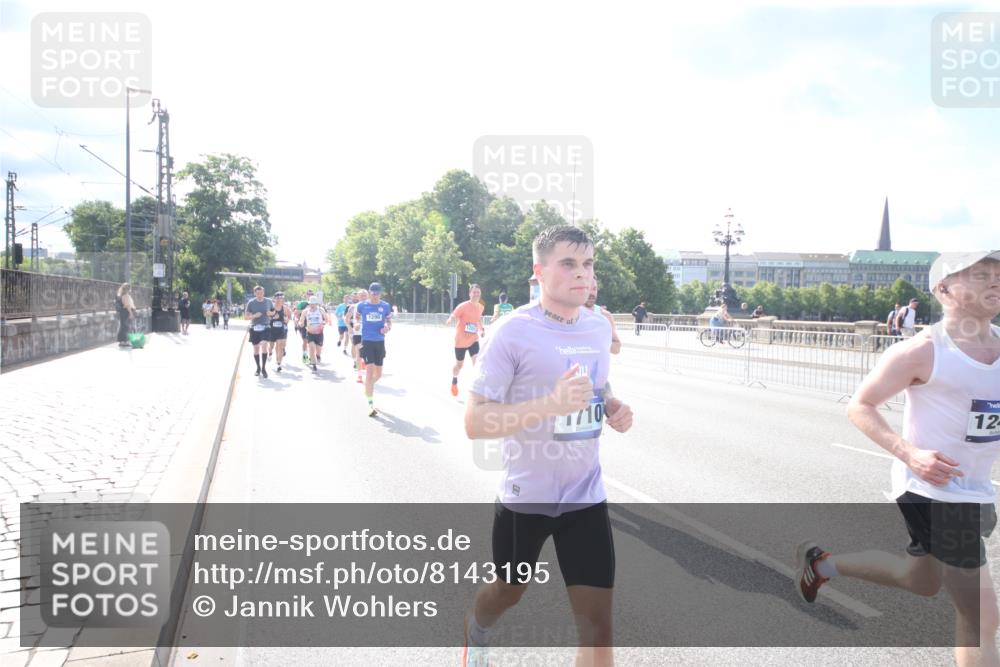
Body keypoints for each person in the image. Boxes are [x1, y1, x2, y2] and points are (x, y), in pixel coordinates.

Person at [797, 251, 1000, 667]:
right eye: (980, 275)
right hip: (933, 491)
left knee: (920, 581)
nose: (994, 281)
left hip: (975, 489)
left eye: (998, 274)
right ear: (943, 289)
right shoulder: (923, 351)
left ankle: (824, 565)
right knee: (981, 616)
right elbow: (861, 406)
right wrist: (911, 453)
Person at [462, 225, 634, 667]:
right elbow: (475, 422)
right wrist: (550, 404)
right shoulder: (511, 331)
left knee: (599, 631)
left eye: (589, 264)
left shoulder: (597, 327)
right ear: (539, 272)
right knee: (508, 593)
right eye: (569, 264)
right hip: (527, 499)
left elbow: (597, 383)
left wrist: (611, 403)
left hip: (585, 497)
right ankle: (477, 631)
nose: (584, 275)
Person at [355, 282, 392, 416]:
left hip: (380, 342)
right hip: (368, 341)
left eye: (377, 293)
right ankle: (371, 405)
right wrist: (358, 324)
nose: (375, 295)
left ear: (380, 293)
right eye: (373, 293)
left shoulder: (385, 306)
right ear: (370, 292)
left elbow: (389, 321)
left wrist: (387, 327)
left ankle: (367, 387)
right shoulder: (362, 305)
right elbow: (357, 318)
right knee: (370, 373)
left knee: (379, 375)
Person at [446, 283, 485, 396]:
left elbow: (477, 320)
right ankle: (454, 380)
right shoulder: (463, 306)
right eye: (474, 292)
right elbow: (454, 315)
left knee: (477, 361)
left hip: (473, 339)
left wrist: (481, 330)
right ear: (470, 294)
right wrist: (450, 320)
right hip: (461, 341)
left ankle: (477, 387)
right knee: (459, 365)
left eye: (478, 292)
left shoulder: (481, 306)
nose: (476, 294)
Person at [244, 285, 274, 378]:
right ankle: (258, 368)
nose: (259, 295)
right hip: (254, 327)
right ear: (255, 293)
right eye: (257, 293)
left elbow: (273, 312)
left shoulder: (268, 301)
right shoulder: (251, 302)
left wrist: (271, 314)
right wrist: (254, 316)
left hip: (266, 327)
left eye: (261, 293)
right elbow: (245, 317)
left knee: (264, 345)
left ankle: (264, 368)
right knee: (256, 348)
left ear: (263, 293)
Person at [585, 279, 621, 354]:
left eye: (594, 289)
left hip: (598, 365)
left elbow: (616, 350)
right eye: (587, 288)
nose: (591, 293)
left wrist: (600, 339)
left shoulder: (605, 315)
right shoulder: (568, 313)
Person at [298, 295, 328, 373]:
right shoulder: (305, 311)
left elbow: (326, 319)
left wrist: (324, 322)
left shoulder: (321, 310)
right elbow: (301, 320)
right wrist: (301, 323)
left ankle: (318, 355)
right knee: (311, 347)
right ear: (309, 304)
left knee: (318, 349)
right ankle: (314, 364)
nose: (312, 305)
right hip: (310, 332)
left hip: (319, 333)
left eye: (314, 303)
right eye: (311, 303)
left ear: (316, 304)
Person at [346, 290, 367, 383]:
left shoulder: (371, 306)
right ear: (358, 297)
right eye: (361, 295)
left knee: (367, 353)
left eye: (365, 295)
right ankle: (359, 375)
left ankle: (363, 363)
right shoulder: (353, 307)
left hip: (369, 333)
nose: (363, 297)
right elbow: (346, 318)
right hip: (358, 333)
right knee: (359, 352)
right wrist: (350, 328)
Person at [268, 292, 292, 372]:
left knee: (280, 346)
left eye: (281, 299)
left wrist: (287, 319)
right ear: (274, 299)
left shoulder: (284, 308)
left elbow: (289, 315)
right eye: (277, 298)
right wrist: (273, 318)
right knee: (271, 346)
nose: (279, 300)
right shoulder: (271, 307)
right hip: (272, 330)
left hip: (281, 330)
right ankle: (270, 353)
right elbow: (267, 317)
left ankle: (279, 363)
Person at [115, 283, 137, 347]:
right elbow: (127, 305)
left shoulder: (121, 295)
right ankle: (124, 341)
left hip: (124, 312)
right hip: (127, 312)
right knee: (126, 327)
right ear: (128, 289)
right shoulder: (126, 296)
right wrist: (131, 313)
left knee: (123, 327)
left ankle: (123, 341)